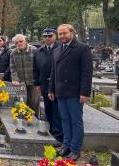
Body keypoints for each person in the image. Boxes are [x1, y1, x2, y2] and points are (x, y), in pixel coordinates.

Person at [49, 24, 92, 161]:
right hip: (61, 91)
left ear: (71, 33)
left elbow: (87, 73)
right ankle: (66, 145)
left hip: (75, 92)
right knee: (65, 120)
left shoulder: (82, 48)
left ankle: (75, 149)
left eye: (64, 33)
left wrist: (84, 93)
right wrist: (51, 89)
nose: (62, 36)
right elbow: (54, 72)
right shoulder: (57, 50)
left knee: (75, 121)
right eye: (60, 34)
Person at [33, 28, 63, 145]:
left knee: (57, 111)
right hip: (44, 85)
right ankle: (51, 131)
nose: (47, 38)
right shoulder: (39, 51)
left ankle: (58, 136)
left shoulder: (60, 49)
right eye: (45, 36)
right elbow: (35, 69)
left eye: (50, 36)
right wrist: (37, 83)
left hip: (57, 85)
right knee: (49, 110)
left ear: (55, 36)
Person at [10, 34, 39, 113]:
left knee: (34, 103)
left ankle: (35, 121)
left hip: (33, 81)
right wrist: (15, 79)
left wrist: (38, 80)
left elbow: (39, 66)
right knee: (22, 103)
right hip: (21, 82)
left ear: (25, 41)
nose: (19, 43)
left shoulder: (34, 50)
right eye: (16, 42)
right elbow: (13, 68)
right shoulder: (13, 53)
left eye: (21, 41)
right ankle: (23, 122)